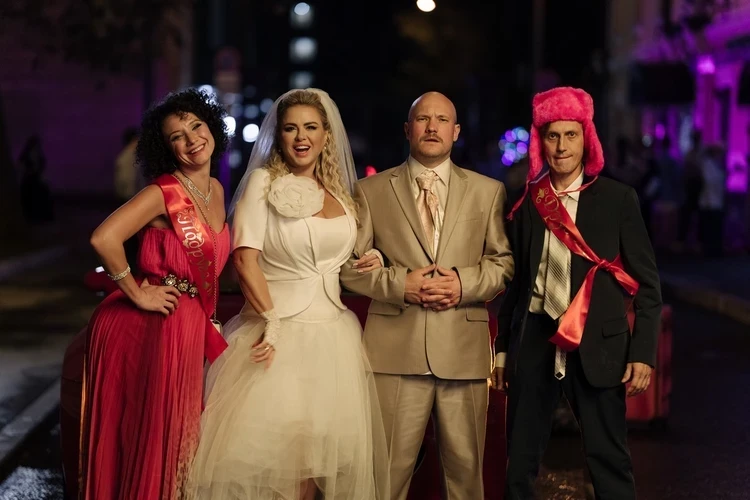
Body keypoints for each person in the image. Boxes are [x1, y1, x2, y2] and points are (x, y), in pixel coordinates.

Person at [186, 88, 389, 500]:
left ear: (326, 135)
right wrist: (272, 321)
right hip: (277, 336)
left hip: (334, 338)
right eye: (291, 128)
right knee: (275, 467)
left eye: (310, 127)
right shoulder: (262, 183)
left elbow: (336, 260)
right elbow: (245, 260)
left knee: (316, 463)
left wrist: (372, 258)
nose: (301, 137)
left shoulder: (339, 191)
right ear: (278, 135)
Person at [339, 91, 514, 499]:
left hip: (463, 349)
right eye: (423, 119)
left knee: (466, 477)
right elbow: (348, 268)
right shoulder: (370, 190)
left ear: (456, 132)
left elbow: (503, 264)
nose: (432, 127)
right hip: (394, 351)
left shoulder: (487, 191)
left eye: (442, 120)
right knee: (387, 476)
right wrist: (401, 284)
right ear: (408, 129)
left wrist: (462, 283)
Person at [493, 87, 662, 499]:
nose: (561, 146)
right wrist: (502, 349)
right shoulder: (528, 202)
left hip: (598, 344)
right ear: (541, 143)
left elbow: (648, 285)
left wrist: (642, 353)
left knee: (609, 461)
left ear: (587, 139)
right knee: (519, 462)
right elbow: (518, 283)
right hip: (535, 340)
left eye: (571, 135)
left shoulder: (618, 199)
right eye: (552, 136)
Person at [80, 88, 231, 499]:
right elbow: (103, 238)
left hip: (192, 321)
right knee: (160, 438)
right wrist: (136, 292)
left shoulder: (217, 190)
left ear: (212, 128)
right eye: (177, 136)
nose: (191, 139)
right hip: (157, 324)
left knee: (185, 439)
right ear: (166, 148)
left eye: (196, 126)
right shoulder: (161, 193)